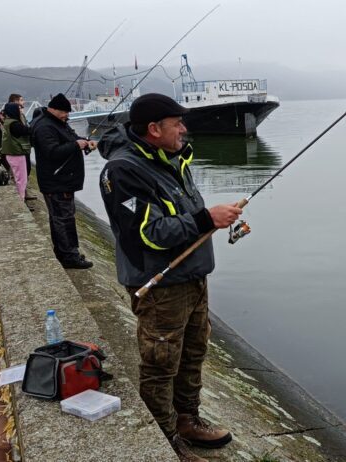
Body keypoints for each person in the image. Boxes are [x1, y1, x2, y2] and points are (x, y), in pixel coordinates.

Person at [97, 93, 241, 462]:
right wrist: (207, 218)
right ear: (154, 128)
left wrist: (210, 219)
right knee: (161, 362)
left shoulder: (174, 159)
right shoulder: (122, 171)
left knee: (194, 353)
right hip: (160, 286)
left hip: (193, 278)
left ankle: (188, 419)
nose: (184, 129)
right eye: (178, 123)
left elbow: (183, 218)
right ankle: (165, 439)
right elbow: (149, 234)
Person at [30, 93, 94, 269]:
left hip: (62, 180)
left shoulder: (57, 123)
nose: (68, 116)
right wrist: (76, 145)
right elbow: (52, 152)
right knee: (63, 219)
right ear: (54, 109)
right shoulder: (44, 127)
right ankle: (70, 256)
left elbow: (71, 138)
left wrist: (85, 142)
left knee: (61, 217)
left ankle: (64, 252)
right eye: (65, 112)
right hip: (56, 181)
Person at [0, 103, 34, 210]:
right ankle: (21, 202)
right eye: (18, 109)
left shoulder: (7, 122)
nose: (20, 111)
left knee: (18, 177)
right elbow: (27, 131)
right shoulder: (14, 124)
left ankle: (21, 200)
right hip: (16, 154)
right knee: (21, 179)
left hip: (10, 154)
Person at [9, 93, 36, 200]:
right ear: (15, 102)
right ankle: (22, 196)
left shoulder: (21, 114)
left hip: (25, 146)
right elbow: (22, 129)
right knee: (20, 173)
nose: (23, 102)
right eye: (21, 100)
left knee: (27, 170)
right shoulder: (11, 116)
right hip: (18, 148)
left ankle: (25, 192)